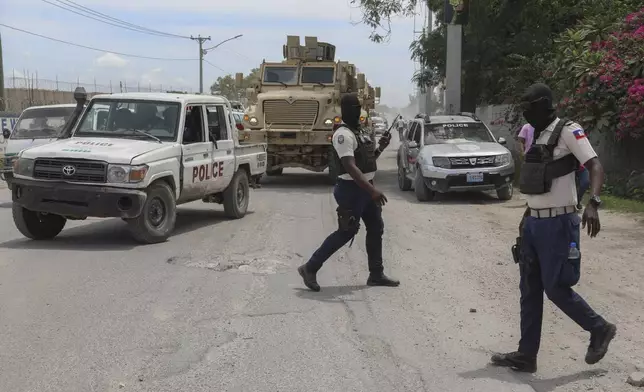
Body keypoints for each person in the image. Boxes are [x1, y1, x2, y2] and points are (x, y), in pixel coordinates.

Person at [491, 83, 616, 373]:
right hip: (534, 223)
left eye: (530, 105)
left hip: (559, 224)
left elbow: (595, 165)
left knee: (556, 288)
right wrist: (525, 221)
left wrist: (594, 203)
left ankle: (599, 328)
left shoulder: (569, 131)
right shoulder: (537, 135)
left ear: (545, 104)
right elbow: (538, 183)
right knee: (529, 289)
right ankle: (526, 355)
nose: (525, 111)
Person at [297, 93, 400, 292]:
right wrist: (373, 191)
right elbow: (351, 168)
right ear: (345, 111)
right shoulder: (343, 135)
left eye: (358, 107)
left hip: (365, 188)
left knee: (376, 227)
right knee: (346, 232)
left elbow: (366, 162)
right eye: (353, 107)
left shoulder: (359, 132)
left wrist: (381, 147)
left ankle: (376, 274)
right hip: (352, 190)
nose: (357, 110)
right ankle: (310, 267)